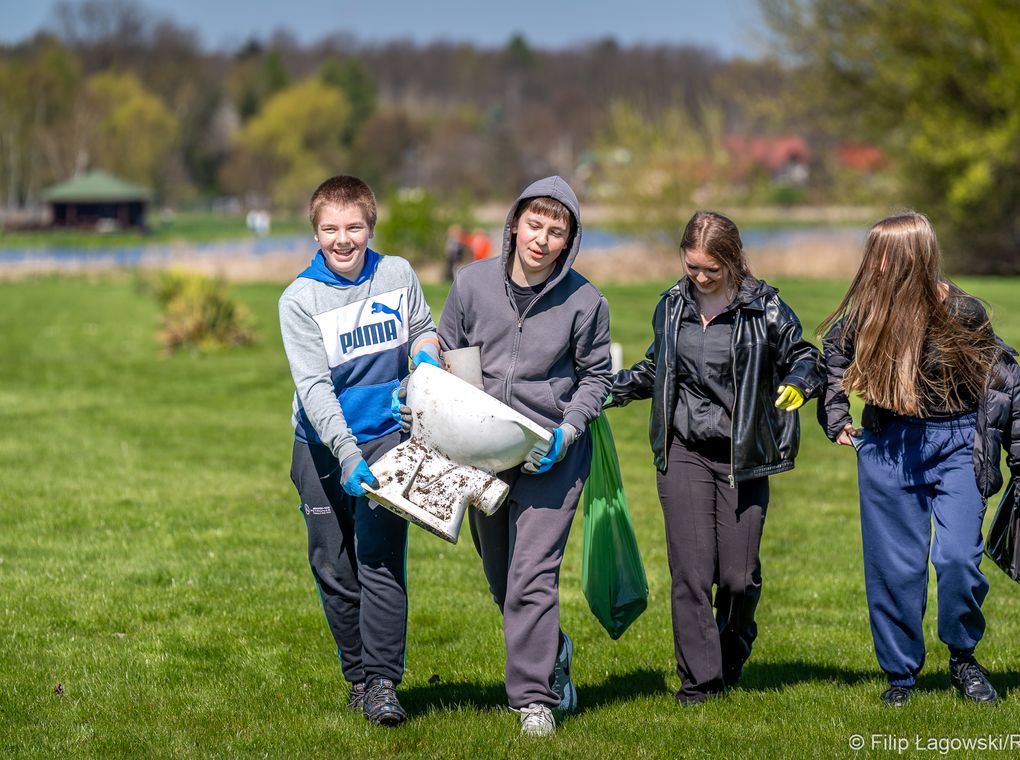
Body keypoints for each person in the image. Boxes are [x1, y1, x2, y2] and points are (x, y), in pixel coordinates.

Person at [817, 211, 1020, 708]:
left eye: (880, 257)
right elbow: (832, 356)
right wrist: (835, 417)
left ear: (908, 259)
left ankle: (963, 657)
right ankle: (900, 676)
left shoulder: (962, 312)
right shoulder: (868, 313)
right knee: (894, 569)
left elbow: (1005, 382)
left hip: (958, 443)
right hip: (888, 444)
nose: (870, 266)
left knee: (958, 557)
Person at [609, 211, 823, 706]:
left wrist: (799, 384)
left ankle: (732, 649)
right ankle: (698, 685)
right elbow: (656, 368)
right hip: (684, 450)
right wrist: (610, 391)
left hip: (740, 455)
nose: (701, 278)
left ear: (732, 261)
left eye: (712, 269)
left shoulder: (764, 306)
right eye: (693, 268)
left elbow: (804, 355)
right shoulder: (671, 305)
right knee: (691, 571)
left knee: (737, 577)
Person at [437, 176, 611, 737]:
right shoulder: (471, 284)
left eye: (555, 231)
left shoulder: (586, 301)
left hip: (549, 457)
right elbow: (444, 346)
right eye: (534, 224)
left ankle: (533, 699)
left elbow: (597, 378)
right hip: (483, 452)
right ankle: (551, 647)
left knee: (532, 576)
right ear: (514, 223)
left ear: (569, 240)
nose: (541, 238)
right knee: (501, 580)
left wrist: (567, 430)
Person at [278, 175, 441, 727]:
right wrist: (346, 456)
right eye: (330, 229)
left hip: (389, 441)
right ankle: (357, 677)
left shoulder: (395, 273)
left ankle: (381, 684)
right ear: (316, 231)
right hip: (323, 448)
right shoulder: (299, 299)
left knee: (380, 560)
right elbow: (315, 389)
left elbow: (422, 327)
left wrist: (426, 359)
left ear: (371, 226)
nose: (342, 239)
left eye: (353, 227)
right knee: (333, 567)